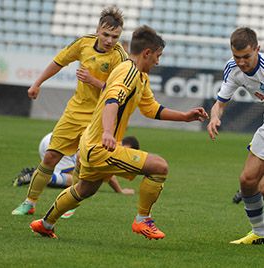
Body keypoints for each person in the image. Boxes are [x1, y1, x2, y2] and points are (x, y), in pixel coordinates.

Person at [29, 25, 208, 240]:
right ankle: (143, 221)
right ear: (147, 53)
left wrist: (185, 116)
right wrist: (107, 133)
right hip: (100, 146)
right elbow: (112, 100)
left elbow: (151, 109)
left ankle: (45, 224)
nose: (158, 62)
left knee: (85, 189)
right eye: (158, 56)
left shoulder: (138, 75)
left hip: (91, 143)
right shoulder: (129, 72)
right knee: (159, 167)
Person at [12, 7, 127, 215]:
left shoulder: (120, 57)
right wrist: (37, 83)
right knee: (50, 157)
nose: (110, 40)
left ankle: (67, 205)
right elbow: (59, 62)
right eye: (106, 34)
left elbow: (121, 93)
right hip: (74, 111)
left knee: (83, 163)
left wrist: (93, 81)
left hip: (99, 116)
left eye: (115, 36)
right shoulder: (83, 43)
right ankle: (30, 202)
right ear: (98, 30)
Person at [207, 27, 264, 244]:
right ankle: (260, 233)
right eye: (236, 57)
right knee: (248, 181)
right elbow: (220, 103)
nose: (241, 62)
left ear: (257, 49)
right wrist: (214, 118)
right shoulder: (233, 69)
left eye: (246, 57)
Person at [13, 133, 137, 195]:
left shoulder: (110, 136)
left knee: (77, 178)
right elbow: (108, 174)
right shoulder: (112, 144)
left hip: (52, 138)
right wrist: (120, 191)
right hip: (65, 144)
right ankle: (36, 174)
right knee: (78, 183)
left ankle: (42, 173)